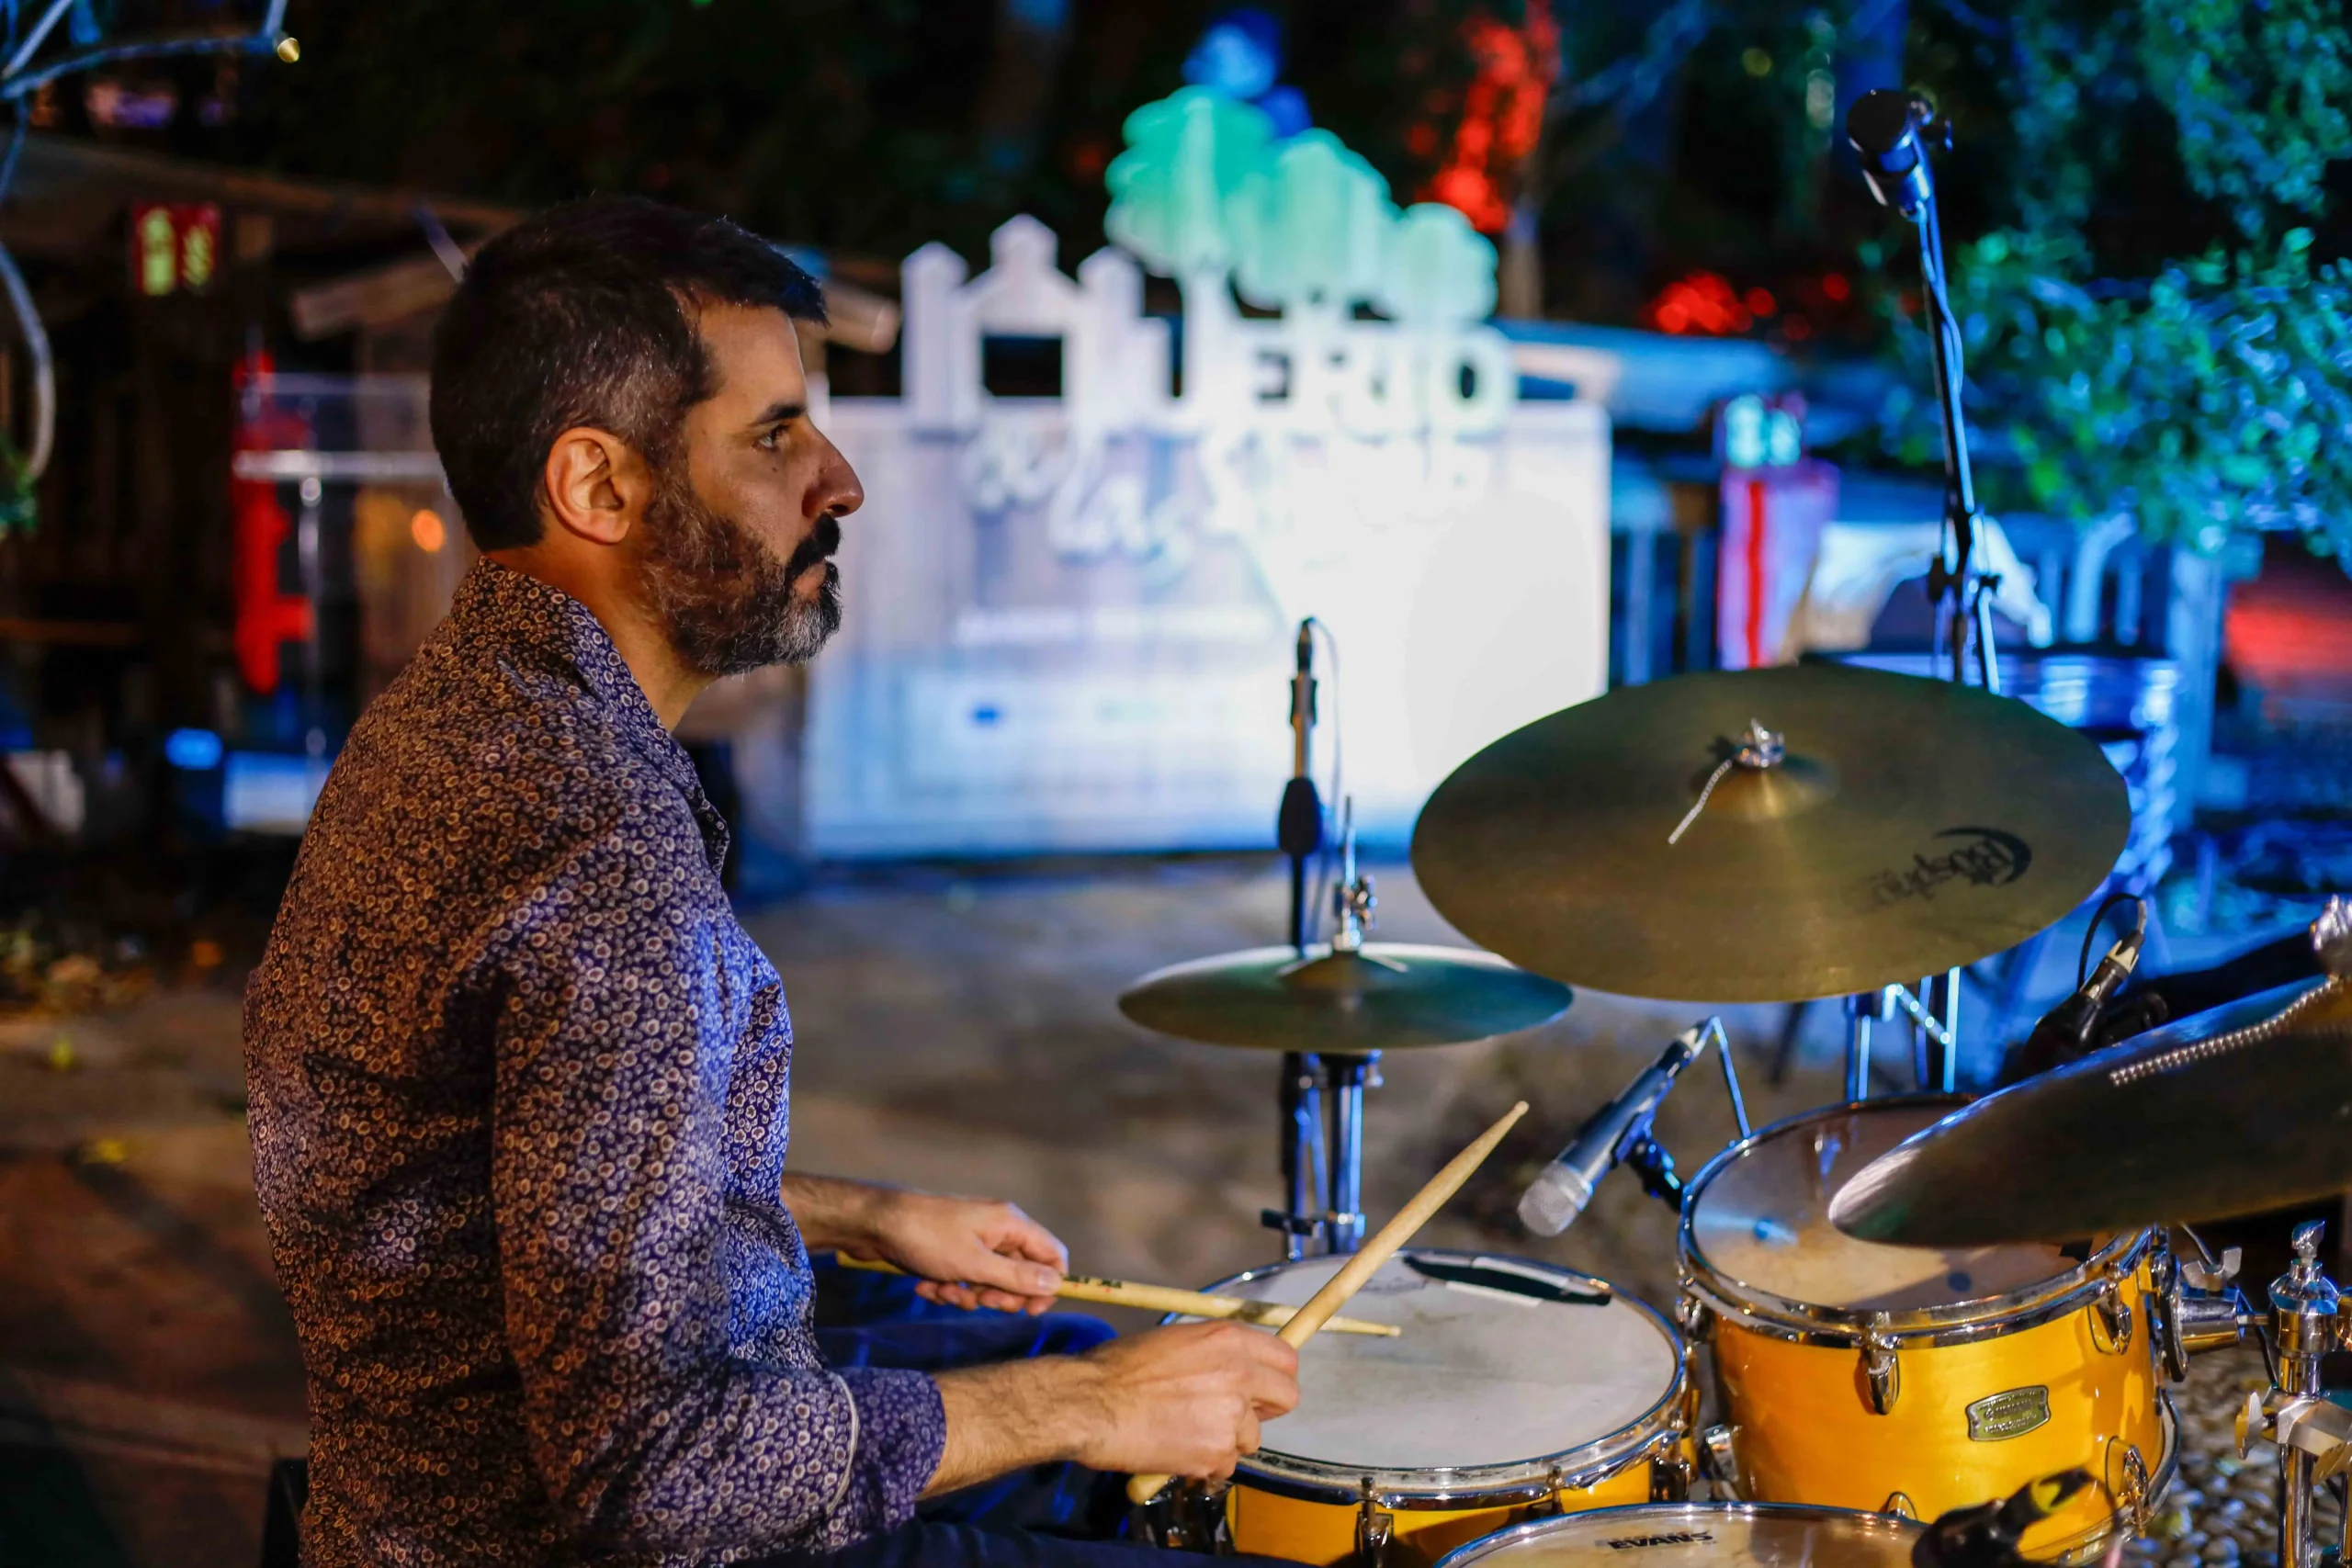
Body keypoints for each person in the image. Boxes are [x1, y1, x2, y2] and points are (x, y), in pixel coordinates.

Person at [243, 196, 1301, 1568]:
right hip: (558, 1535)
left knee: (1065, 1352)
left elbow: (527, 1178)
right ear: (599, 488)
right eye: (774, 436)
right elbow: (658, 1479)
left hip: (424, 1504)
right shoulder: (597, 850)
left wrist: (865, 1216)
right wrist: (1091, 1407)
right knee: (1107, 1408)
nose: (840, 481)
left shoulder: (454, 717)